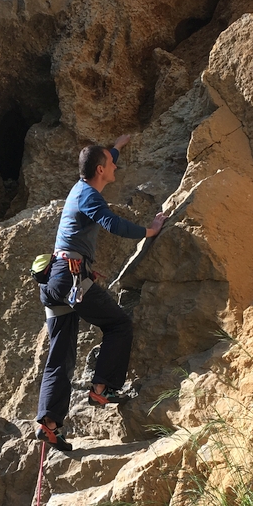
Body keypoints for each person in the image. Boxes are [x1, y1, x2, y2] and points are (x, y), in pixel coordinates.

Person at [36, 135, 166, 452]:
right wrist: (149, 231)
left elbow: (102, 158)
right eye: (111, 164)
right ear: (99, 170)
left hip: (55, 279)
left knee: (59, 358)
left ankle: (49, 425)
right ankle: (102, 388)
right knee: (118, 324)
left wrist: (117, 147)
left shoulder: (80, 189)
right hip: (69, 278)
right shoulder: (89, 196)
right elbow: (112, 223)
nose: (115, 167)